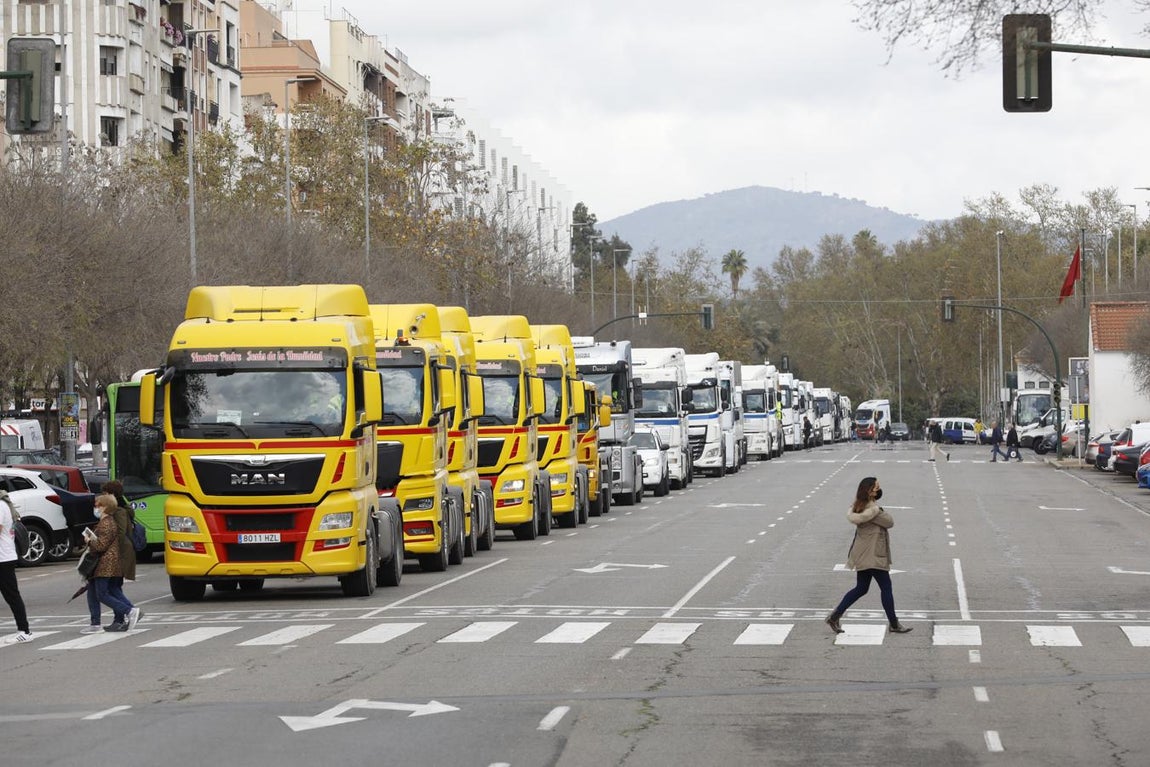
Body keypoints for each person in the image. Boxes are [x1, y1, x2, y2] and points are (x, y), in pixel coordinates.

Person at [825, 477, 911, 635]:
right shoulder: (873, 511)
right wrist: (881, 511)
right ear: (870, 491)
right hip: (874, 554)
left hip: (862, 552)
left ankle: (835, 616)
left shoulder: (858, 507)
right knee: (886, 587)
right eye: (877, 487)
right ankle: (894, 623)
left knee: (861, 588)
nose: (879, 490)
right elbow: (890, 522)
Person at [81, 483, 140, 633]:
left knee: (108, 591)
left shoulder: (115, 515)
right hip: (112, 557)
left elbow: (114, 537)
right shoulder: (115, 513)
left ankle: (127, 612)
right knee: (107, 589)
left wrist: (92, 541)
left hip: (113, 558)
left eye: (105, 494)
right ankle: (115, 619)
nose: (96, 507)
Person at [0, 488, 33, 643]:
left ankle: (24, 630)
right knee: (11, 595)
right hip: (4, 556)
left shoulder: (0, 505)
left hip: (3, 558)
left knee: (11, 595)